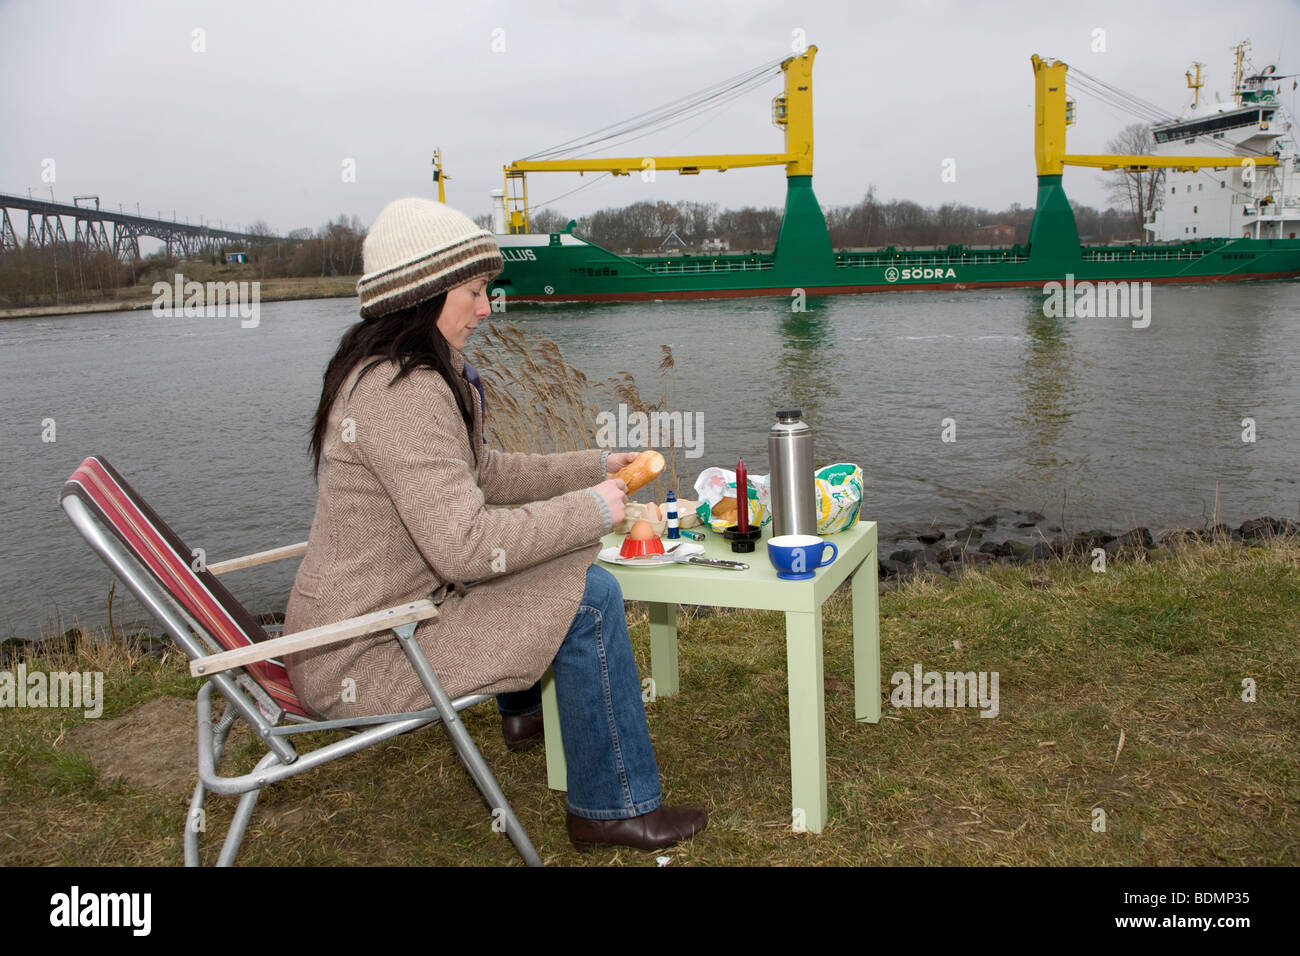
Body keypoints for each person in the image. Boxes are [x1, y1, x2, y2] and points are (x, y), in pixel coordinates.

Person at [282, 197, 707, 853]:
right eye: (474, 291)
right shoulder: (404, 394)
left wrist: (595, 465)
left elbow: (485, 473)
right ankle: (610, 807)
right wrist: (595, 506)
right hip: (365, 651)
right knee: (590, 599)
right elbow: (467, 549)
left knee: (546, 569)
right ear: (423, 293)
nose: (486, 307)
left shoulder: (402, 372)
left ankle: (522, 712)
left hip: (391, 616)